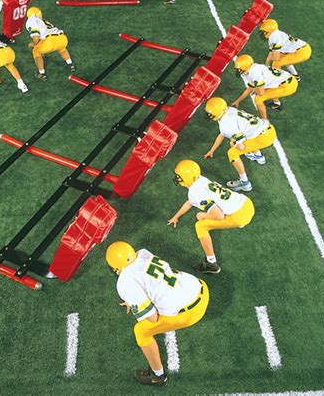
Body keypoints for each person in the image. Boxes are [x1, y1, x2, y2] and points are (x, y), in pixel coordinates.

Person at [106, 241, 209, 387]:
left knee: (141, 331)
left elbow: (153, 317)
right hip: (199, 286)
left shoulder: (125, 282)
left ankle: (157, 375)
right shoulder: (142, 253)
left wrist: (134, 301)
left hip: (192, 312)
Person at [168, 160, 254, 273]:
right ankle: (237, 220)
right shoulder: (200, 179)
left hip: (240, 215)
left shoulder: (195, 193)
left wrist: (202, 215)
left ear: (186, 178)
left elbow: (219, 215)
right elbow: (190, 202)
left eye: (179, 176)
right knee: (217, 210)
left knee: (200, 226)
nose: (177, 178)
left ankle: (211, 263)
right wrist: (176, 216)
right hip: (247, 203)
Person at [203, 97, 277, 191]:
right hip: (267, 129)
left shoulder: (226, 123)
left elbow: (241, 147)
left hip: (263, 138)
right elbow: (223, 134)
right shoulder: (228, 110)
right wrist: (212, 150)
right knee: (247, 134)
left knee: (232, 152)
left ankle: (244, 183)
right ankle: (259, 157)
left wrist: (234, 143)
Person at [231, 54, 298, 118]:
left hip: (288, 86)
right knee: (268, 88)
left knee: (258, 99)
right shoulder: (254, 66)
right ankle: (277, 104)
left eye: (239, 69)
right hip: (288, 79)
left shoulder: (255, 74)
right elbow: (250, 88)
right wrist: (238, 101)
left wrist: (254, 89)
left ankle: (264, 122)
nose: (238, 71)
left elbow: (261, 93)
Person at [25, 6, 75, 81]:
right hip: (62, 38)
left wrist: (33, 44)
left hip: (50, 42)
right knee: (61, 49)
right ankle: (71, 65)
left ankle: (42, 74)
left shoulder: (32, 19)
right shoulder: (42, 20)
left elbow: (36, 37)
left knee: (36, 51)